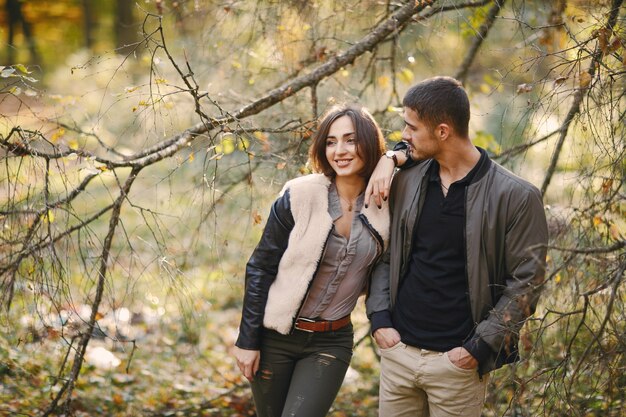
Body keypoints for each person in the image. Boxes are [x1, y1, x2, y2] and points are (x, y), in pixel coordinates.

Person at [364, 76, 549, 417]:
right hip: (398, 353)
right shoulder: (407, 179)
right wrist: (379, 319)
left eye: (411, 127)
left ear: (443, 131)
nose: (404, 134)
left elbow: (526, 284)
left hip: (457, 364)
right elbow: (386, 254)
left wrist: (478, 348)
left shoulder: (517, 197)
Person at [233, 105, 390, 417]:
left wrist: (391, 160)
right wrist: (247, 341)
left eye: (351, 140)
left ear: (371, 144)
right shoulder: (299, 194)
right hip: (275, 337)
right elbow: (260, 267)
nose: (340, 151)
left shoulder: (387, 200)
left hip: (331, 342)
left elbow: (421, 153)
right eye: (331, 142)